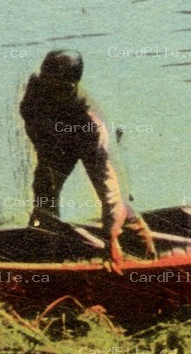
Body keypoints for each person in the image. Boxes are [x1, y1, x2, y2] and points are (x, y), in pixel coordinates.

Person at [19, 50, 154, 270]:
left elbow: (109, 186)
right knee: (44, 193)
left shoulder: (94, 124)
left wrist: (110, 240)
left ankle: (145, 258)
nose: (52, 89)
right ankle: (45, 254)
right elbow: (33, 126)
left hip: (88, 139)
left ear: (72, 85)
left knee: (117, 202)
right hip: (59, 138)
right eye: (48, 80)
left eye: (60, 87)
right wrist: (47, 157)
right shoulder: (35, 88)